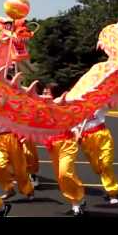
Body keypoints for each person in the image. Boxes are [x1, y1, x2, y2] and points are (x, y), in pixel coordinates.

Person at [42, 83, 86, 216]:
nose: (45, 93)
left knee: (65, 173)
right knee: (61, 177)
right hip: (53, 144)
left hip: (67, 142)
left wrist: (77, 131)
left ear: (54, 92)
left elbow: (75, 112)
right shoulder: (43, 106)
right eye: (44, 91)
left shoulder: (63, 102)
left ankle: (77, 199)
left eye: (47, 91)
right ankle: (76, 202)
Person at [74, 106, 118, 205]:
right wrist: (77, 134)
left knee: (106, 163)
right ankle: (104, 175)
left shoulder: (98, 104)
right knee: (97, 167)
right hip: (86, 140)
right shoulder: (75, 108)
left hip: (102, 135)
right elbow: (73, 126)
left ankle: (112, 192)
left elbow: (110, 104)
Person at [0, 120, 34, 200]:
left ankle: (28, 190)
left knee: (19, 169)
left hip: (14, 137)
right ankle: (9, 189)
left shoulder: (11, 108)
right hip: (0, 140)